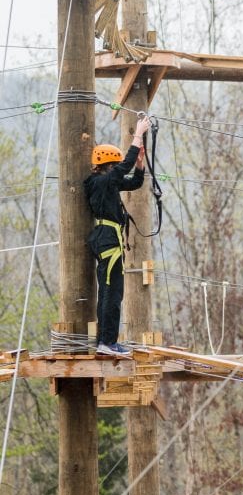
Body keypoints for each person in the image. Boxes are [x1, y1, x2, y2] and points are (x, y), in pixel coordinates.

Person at [84, 115, 151, 356]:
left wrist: (140, 164)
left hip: (108, 239)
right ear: (108, 166)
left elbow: (133, 182)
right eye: (115, 166)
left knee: (110, 292)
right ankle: (107, 342)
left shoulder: (104, 182)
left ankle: (106, 341)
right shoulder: (101, 181)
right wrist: (137, 135)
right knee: (112, 294)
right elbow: (124, 169)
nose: (117, 169)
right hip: (108, 240)